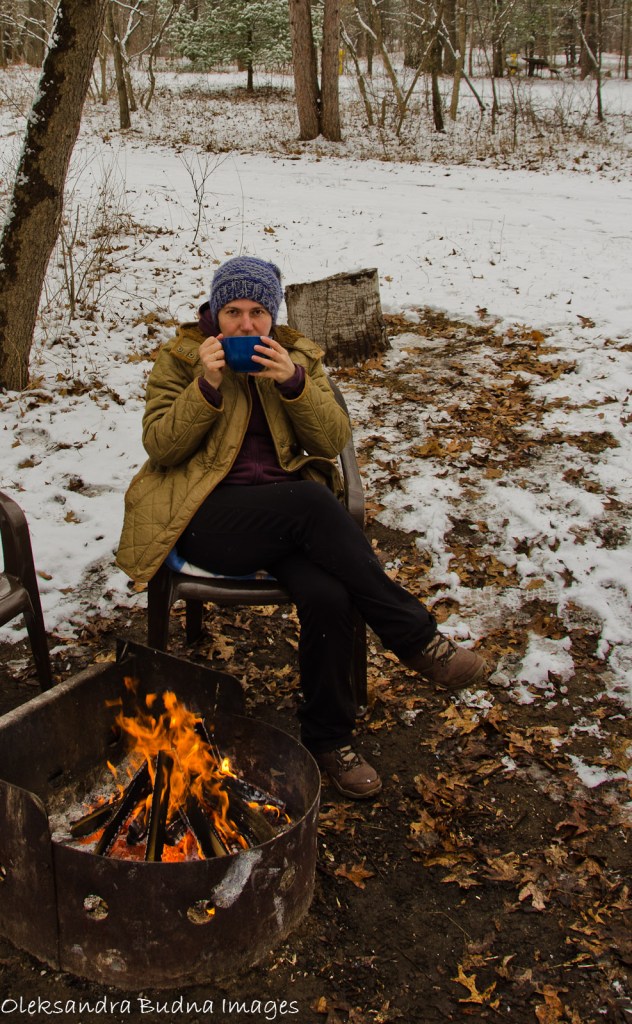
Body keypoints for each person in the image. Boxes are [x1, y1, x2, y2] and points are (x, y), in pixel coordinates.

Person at [117, 257, 489, 799]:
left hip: (289, 524)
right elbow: (161, 447)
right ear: (215, 314)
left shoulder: (297, 360)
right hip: (206, 518)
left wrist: (293, 383)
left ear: (273, 316)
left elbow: (332, 437)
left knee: (330, 592)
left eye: (258, 313)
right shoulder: (180, 359)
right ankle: (416, 639)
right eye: (233, 312)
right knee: (313, 501)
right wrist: (207, 386)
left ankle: (327, 739)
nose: (246, 326)